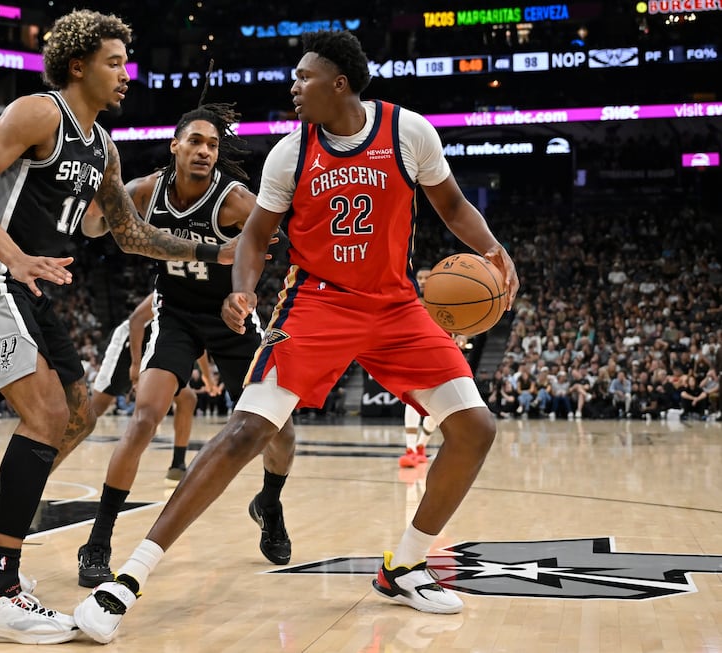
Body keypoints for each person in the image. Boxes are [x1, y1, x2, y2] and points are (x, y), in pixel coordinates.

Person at [74, 29, 518, 643]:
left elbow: (453, 206)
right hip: (317, 306)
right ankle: (127, 579)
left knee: (476, 427)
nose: (294, 86)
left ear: (339, 83)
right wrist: (242, 289)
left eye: (304, 76)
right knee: (246, 432)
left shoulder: (408, 132)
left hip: (396, 307)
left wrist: (493, 249)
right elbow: (256, 237)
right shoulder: (290, 152)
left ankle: (405, 566)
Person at [0, 9, 237, 645]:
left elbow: (130, 234)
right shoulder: (38, 113)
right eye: (114, 62)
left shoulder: (104, 148)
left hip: (31, 288)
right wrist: (14, 255)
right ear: (78, 66)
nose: (126, 74)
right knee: (45, 416)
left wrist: (214, 251)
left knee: (77, 415)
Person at [77, 102, 297, 588]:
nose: (204, 151)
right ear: (174, 145)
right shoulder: (145, 190)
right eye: (195, 141)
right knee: (143, 417)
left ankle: (269, 502)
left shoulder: (235, 200)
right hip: (174, 314)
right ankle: (98, 540)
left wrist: (244, 292)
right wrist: (98, 198)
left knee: (281, 431)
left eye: (212, 145)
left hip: (231, 318)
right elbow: (93, 227)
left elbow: (269, 242)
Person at [89, 293, 216, 485]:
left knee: (188, 399)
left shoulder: (205, 304)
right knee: (95, 410)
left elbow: (199, 345)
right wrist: (135, 365)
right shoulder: (174, 286)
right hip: (131, 346)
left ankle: (177, 466)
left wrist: (208, 377)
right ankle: (56, 439)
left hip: (158, 348)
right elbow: (136, 320)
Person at [399, 267, 437, 468]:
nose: (422, 281)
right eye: (420, 277)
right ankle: (410, 449)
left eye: (426, 278)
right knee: (413, 399)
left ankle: (422, 445)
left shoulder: (446, 299)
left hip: (440, 354)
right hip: (414, 354)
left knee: (437, 407)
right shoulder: (409, 298)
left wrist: (461, 334)